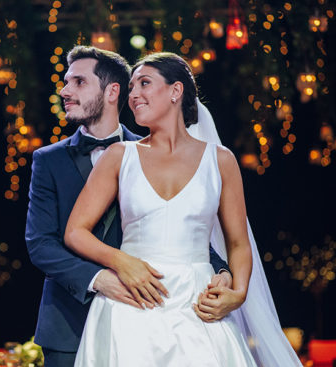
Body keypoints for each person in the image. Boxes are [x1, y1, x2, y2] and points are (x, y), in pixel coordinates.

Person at [64, 52, 302, 366]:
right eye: (131, 87)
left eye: (144, 84)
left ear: (176, 91)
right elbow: (75, 232)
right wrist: (122, 262)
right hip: (132, 302)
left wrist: (238, 293)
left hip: (198, 305)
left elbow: (238, 243)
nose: (133, 94)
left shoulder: (221, 160)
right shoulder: (119, 155)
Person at [25, 46, 236, 367]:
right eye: (65, 82)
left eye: (78, 82)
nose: (65, 91)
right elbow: (40, 244)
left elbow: (179, 225)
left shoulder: (151, 153)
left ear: (112, 91)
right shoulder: (48, 160)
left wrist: (221, 270)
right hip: (68, 321)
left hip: (157, 310)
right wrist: (102, 278)